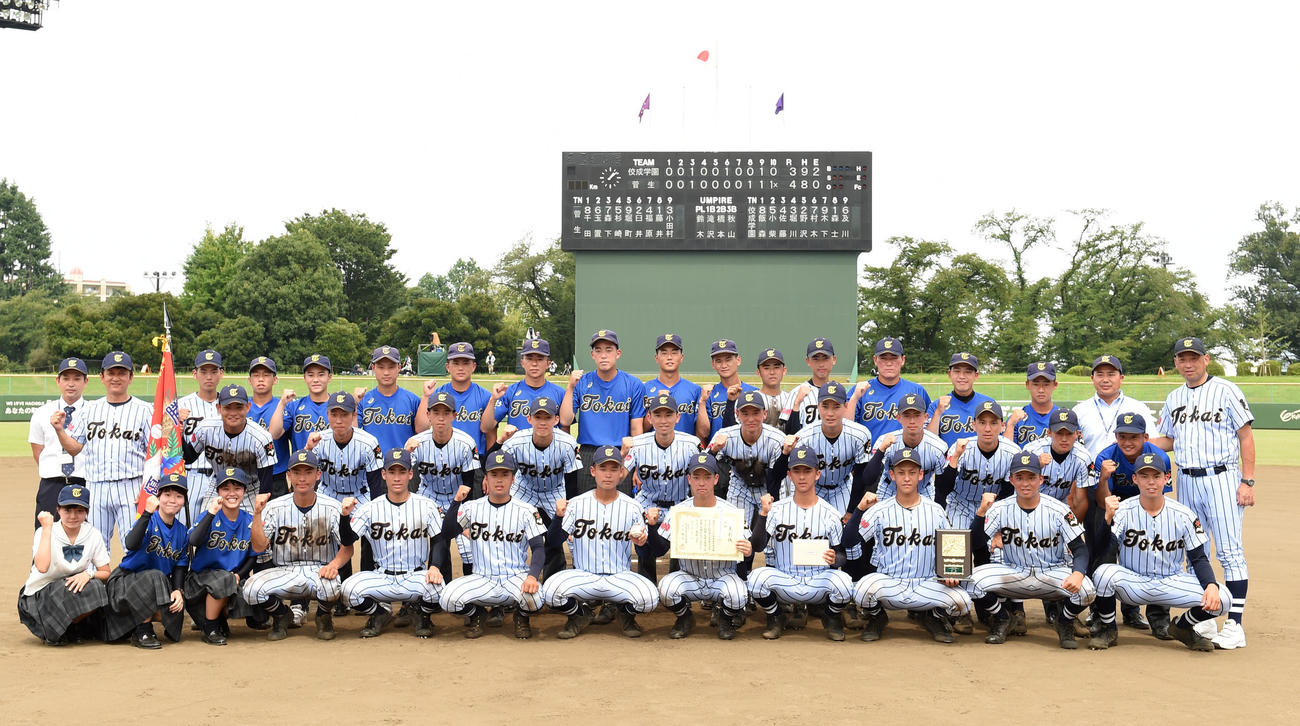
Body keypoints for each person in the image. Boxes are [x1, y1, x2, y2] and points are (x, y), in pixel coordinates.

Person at [1149, 336, 1255, 650]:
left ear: (1205, 359)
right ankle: (1205, 617)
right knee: (1195, 550)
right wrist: (1139, 442)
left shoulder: (1226, 390)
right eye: (1182, 358)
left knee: (1230, 551)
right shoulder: (1173, 397)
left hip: (1222, 477)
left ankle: (1234, 624)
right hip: (1188, 480)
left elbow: (1245, 436)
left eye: (1194, 357)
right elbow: (1167, 440)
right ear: (1176, 363)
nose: (1188, 363)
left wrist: (1247, 481)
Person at [1089, 452, 1230, 651]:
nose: (1151, 482)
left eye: (1156, 476)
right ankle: (1108, 629)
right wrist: (1107, 520)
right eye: (1144, 476)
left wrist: (1210, 585)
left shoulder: (1183, 514)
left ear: (1166, 478)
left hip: (1171, 582)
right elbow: (1104, 550)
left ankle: (1182, 627)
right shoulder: (1122, 510)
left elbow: (1198, 558)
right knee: (1103, 574)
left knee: (1223, 598)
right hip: (1134, 583)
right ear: (1135, 479)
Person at [843, 449, 974, 643]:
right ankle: (877, 617)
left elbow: (950, 547)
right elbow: (849, 541)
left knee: (963, 602)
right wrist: (859, 510)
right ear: (892, 475)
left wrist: (951, 574)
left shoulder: (935, 510)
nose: (906, 478)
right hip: (889, 582)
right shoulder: (879, 510)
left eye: (912, 472)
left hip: (926, 583)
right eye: (901, 472)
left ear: (921, 475)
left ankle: (934, 617)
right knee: (861, 590)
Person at [968, 453, 1094, 649]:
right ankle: (1003, 618)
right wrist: (980, 513)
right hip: (1014, 572)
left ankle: (1063, 621)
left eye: (1031, 477)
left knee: (1087, 590)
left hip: (1052, 572)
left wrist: (1077, 574)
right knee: (970, 583)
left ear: (1041, 480)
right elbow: (975, 543)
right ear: (1011, 480)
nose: (1025, 483)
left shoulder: (1059, 510)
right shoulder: (999, 509)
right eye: (1019, 477)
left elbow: (1080, 549)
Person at [540, 446, 658, 639]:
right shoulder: (576, 504)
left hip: (620, 576)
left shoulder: (633, 506)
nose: (608, 475)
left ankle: (624, 614)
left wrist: (643, 543)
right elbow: (554, 541)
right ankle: (579, 614)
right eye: (603, 469)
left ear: (621, 473)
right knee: (549, 593)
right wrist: (557, 518)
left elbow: (644, 553)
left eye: (613, 469)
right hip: (583, 576)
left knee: (650, 598)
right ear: (593, 471)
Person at [242, 450, 358, 641]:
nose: (302, 478)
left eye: (308, 472)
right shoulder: (274, 507)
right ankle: (282, 615)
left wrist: (333, 566)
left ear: (318, 475)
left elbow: (348, 548)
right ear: (289, 475)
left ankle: (323, 616)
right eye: (297, 473)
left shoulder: (333, 507)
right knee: (250, 590)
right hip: (284, 570)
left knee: (332, 586)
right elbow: (259, 547)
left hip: (319, 569)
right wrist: (256, 515)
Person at [747, 444, 855, 641]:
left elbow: (841, 556)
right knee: (755, 579)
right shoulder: (776, 510)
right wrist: (763, 514)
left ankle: (830, 617)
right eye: (797, 471)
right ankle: (776, 616)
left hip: (818, 581)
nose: (802, 476)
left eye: (807, 471)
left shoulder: (830, 514)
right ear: (789, 475)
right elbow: (758, 546)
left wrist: (834, 559)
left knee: (846, 584)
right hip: (784, 579)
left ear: (817, 474)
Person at [437, 451, 547, 639]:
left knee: (536, 599)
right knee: (447, 599)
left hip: (515, 577)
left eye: (505, 474)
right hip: (482, 578)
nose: (499, 480)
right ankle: (477, 614)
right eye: (494, 474)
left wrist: (532, 577)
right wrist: (456, 503)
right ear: (486, 478)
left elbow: (538, 548)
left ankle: (521, 617)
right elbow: (448, 533)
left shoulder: (526, 510)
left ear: (513, 478)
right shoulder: (472, 508)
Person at [645, 452, 755, 640]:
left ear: (716, 479)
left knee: (739, 595)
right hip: (690, 576)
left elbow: (746, 550)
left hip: (722, 577)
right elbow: (661, 549)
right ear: (689, 479)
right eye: (696, 477)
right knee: (666, 589)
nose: (701, 482)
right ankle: (685, 617)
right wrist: (652, 527)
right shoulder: (678, 511)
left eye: (707, 477)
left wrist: (748, 550)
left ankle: (724, 618)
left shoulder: (731, 512)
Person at [49, 351, 152, 549]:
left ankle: (133, 581)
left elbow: (154, 455)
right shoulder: (89, 410)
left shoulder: (145, 410)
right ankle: (98, 581)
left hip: (131, 487)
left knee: (133, 546)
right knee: (96, 548)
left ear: (131, 377)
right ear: (102, 377)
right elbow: (74, 448)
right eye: (111, 372)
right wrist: (59, 430)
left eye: (122, 373)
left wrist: (148, 488)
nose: (116, 377)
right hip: (97, 487)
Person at [341, 449, 447, 639]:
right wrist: (344, 516)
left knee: (441, 590)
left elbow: (439, 540)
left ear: (410, 474)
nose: (397, 477)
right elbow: (348, 540)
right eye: (392, 472)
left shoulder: (426, 505)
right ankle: (379, 613)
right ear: (384, 474)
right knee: (348, 591)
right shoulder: (369, 508)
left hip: (415, 576)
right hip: (382, 577)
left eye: (402, 472)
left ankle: (420, 613)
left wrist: (435, 567)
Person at [1090, 412, 1173, 635]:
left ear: (1145, 437)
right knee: (1103, 555)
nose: (1127, 442)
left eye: (1133, 437)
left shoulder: (1160, 458)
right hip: (1112, 506)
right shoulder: (1105, 457)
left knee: (1155, 552)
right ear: (1116, 436)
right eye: (1122, 436)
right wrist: (1104, 478)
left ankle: (1148, 614)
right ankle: (1099, 612)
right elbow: (1101, 500)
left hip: (1146, 507)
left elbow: (1159, 496)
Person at [305, 390, 383, 610]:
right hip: (329, 496)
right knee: (334, 541)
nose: (339, 420)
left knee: (370, 539)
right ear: (328, 414)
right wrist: (308, 449)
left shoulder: (368, 442)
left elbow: (376, 483)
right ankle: (338, 593)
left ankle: (367, 591)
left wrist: (375, 512)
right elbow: (303, 474)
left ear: (353, 415)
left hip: (360, 496)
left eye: (344, 414)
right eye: (334, 414)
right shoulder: (318, 441)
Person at [498, 396, 581, 580]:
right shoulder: (516, 441)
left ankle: (566, 579)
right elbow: (496, 464)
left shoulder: (567, 443)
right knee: (511, 530)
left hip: (555, 491)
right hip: (523, 490)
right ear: (529, 419)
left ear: (556, 420)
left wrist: (570, 510)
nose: (543, 422)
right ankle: (510, 575)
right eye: (538, 417)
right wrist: (500, 440)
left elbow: (572, 480)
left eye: (548, 417)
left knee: (569, 534)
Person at [102, 474, 190, 649]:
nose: (173, 500)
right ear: (158, 497)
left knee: (176, 609)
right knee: (154, 577)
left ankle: (131, 623)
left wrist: (178, 590)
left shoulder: (182, 532)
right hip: (125, 582)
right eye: (167, 495)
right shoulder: (148, 520)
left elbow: (180, 565)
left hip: (156, 586)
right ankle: (142, 629)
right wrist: (147, 513)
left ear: (184, 501)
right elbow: (131, 543)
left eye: (179, 496)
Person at [706, 390, 784, 579]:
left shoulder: (776, 439)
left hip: (768, 487)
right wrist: (714, 450)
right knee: (737, 536)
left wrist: (770, 500)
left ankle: (774, 583)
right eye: (745, 413)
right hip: (739, 487)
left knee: (772, 537)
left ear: (764, 414)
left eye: (755, 413)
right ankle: (739, 580)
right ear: (737, 414)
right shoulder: (725, 435)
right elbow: (703, 464)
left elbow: (776, 477)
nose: (751, 418)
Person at [19, 484, 111, 646]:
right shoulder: (45, 531)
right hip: (40, 595)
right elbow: (41, 566)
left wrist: (88, 574)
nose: (73, 516)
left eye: (79, 511)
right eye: (67, 510)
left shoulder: (93, 534)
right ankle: (57, 628)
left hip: (70, 592)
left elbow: (106, 572)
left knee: (97, 587)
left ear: (87, 512)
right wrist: (47, 528)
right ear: (58, 510)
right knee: (65, 588)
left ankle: (70, 625)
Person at [624, 393, 701, 584]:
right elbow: (617, 475)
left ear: (678, 417)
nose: (663, 420)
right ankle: (646, 586)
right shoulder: (639, 445)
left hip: (680, 503)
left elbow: (706, 472)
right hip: (648, 502)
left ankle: (677, 587)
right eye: (658, 415)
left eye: (668, 415)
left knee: (680, 549)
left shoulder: (692, 444)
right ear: (649, 418)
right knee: (641, 540)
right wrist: (623, 452)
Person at [560, 329, 646, 497]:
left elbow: (637, 429)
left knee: (621, 508)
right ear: (592, 355)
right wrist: (570, 387)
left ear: (618, 353)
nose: (603, 355)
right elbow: (565, 420)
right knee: (587, 507)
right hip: (588, 453)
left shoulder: (633, 384)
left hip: (621, 452)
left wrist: (637, 464)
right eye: (598, 350)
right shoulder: (582, 382)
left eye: (609, 349)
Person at [183, 468, 261, 646]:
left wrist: (239, 575)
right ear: (218, 492)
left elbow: (253, 556)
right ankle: (209, 627)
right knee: (223, 579)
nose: (231, 493)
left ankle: (217, 619)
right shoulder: (209, 515)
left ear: (244, 491)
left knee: (258, 610)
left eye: (237, 488)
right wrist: (210, 513)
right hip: (199, 582)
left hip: (230, 579)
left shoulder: (249, 520)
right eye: (225, 488)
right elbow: (194, 540)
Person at [773, 382, 871, 515]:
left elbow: (860, 476)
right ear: (818, 407)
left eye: (836, 406)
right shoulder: (804, 437)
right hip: (813, 488)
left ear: (846, 407)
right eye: (825, 406)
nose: (830, 413)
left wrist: (850, 511)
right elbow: (780, 474)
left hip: (843, 487)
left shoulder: (860, 434)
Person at [181, 384, 277, 517]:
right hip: (218, 486)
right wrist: (178, 433)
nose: (233, 413)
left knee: (254, 531)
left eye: (239, 407)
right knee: (204, 525)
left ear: (248, 407)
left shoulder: (261, 437)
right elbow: (189, 458)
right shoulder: (206, 429)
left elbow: (266, 479)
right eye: (227, 407)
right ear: (219, 408)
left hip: (250, 489)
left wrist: (261, 506)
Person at [28, 357, 89, 527]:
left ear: (86, 381)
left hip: (84, 482)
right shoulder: (42, 413)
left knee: (86, 538)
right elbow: (38, 451)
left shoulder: (94, 412)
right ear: (58, 381)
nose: (71, 384)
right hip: (51, 484)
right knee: (45, 535)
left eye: (77, 378)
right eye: (66, 378)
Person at [421, 342, 494, 481]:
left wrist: (489, 469)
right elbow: (422, 428)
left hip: (475, 462)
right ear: (448, 367)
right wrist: (426, 397)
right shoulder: (437, 393)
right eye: (456, 363)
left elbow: (490, 435)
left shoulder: (485, 396)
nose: (461, 368)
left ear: (473, 367)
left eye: (466, 363)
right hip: (440, 460)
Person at [864, 393, 949, 501]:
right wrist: (881, 450)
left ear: (925, 417)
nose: (912, 421)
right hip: (889, 492)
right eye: (907, 415)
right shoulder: (884, 441)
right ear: (898, 418)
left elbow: (943, 488)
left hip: (924, 493)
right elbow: (868, 478)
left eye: (917, 415)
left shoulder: (938, 447)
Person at [846, 337, 931, 442]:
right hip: (870, 456)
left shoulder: (917, 390)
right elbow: (846, 428)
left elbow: (929, 428)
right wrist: (854, 398)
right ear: (875, 360)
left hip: (907, 457)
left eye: (894, 358)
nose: (889, 363)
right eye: (883, 358)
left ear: (903, 360)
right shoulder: (861, 390)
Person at [1072, 354, 1157, 457]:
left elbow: (1152, 442)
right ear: (1092, 378)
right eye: (1100, 374)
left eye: (1111, 374)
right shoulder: (1079, 411)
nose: (1105, 379)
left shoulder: (1138, 408)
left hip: (1129, 471)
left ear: (1121, 378)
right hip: (1090, 471)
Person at [177, 349, 225, 526]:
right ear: (194, 374)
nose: (209, 376)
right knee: (184, 532)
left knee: (216, 536)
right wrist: (176, 426)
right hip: (190, 476)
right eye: (203, 371)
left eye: (213, 371)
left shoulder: (229, 406)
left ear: (221, 373)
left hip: (221, 478)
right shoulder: (180, 405)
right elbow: (166, 445)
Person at [482, 337, 565, 438]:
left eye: (540, 359)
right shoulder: (510, 392)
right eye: (529, 359)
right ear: (522, 363)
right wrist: (493, 400)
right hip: (516, 451)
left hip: (549, 452)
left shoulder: (560, 393)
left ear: (548, 364)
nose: (534, 363)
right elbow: (486, 428)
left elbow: (565, 430)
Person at [355, 346, 421, 454]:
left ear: (399, 367)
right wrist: (354, 405)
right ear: (373, 368)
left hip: (402, 465)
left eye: (391, 367)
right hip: (372, 465)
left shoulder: (412, 400)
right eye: (381, 367)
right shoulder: (363, 401)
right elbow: (354, 434)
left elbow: (422, 432)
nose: (386, 372)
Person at [926, 352, 996, 448]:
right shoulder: (937, 405)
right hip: (947, 461)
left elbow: (997, 440)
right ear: (949, 374)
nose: (962, 376)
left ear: (976, 375)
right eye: (957, 371)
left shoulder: (988, 404)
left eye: (968, 372)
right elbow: (928, 443)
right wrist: (938, 413)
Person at [269, 353, 334, 452]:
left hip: (331, 466)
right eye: (311, 375)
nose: (315, 379)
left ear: (329, 377)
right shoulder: (294, 406)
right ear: (305, 378)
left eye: (321, 375)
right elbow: (274, 434)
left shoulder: (338, 406)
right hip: (301, 465)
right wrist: (282, 404)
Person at [246, 356, 292, 498]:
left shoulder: (285, 406)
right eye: (256, 375)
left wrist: (282, 404)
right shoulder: (241, 406)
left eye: (266, 375)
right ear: (250, 380)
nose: (261, 379)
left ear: (275, 380)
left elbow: (274, 434)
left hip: (276, 476)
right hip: (247, 475)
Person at [641, 333, 703, 436]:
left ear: (682, 357)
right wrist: (656, 404)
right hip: (654, 449)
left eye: (674, 353)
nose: (669, 357)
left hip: (686, 449)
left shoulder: (695, 390)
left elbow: (701, 432)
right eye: (664, 353)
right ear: (656, 358)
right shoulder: (644, 389)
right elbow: (641, 428)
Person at [701, 339, 756, 443]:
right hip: (717, 452)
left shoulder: (754, 392)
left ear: (738, 360)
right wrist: (702, 402)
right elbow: (703, 433)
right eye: (718, 361)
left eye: (728, 359)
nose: (724, 365)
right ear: (713, 364)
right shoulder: (709, 394)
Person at [782, 337, 838, 434]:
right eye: (816, 359)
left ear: (834, 360)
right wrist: (797, 404)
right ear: (808, 361)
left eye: (825, 358)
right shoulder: (796, 393)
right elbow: (788, 432)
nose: (821, 364)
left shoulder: (840, 392)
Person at [1004, 362, 1062, 447]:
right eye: (1036, 384)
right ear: (1027, 385)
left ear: (1055, 385)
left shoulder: (1063, 418)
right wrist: (1010, 425)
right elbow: (1005, 454)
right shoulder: (1017, 419)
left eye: (1046, 384)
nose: (1041, 390)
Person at [753, 348, 794, 428]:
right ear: (758, 372)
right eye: (766, 368)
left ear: (784, 371)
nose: (772, 372)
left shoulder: (791, 400)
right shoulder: (751, 400)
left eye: (776, 367)